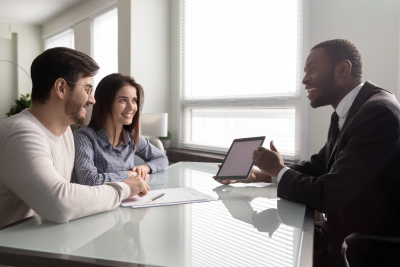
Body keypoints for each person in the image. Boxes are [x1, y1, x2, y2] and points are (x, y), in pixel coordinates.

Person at [216, 39, 400, 266]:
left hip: (369, 250)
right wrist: (259, 175)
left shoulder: (378, 113)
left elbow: (330, 194)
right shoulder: (348, 112)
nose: (304, 80)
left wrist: (278, 169)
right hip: (344, 236)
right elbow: (318, 167)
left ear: (343, 69)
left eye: (312, 70)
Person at [0, 47, 149, 228]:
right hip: (11, 250)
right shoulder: (21, 134)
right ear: (61, 88)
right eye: (87, 89)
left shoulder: (66, 133)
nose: (92, 99)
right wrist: (125, 187)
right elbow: (60, 204)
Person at [72, 73, 168, 186]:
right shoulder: (84, 138)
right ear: (105, 103)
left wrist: (145, 168)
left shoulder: (131, 137)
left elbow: (162, 158)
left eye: (134, 100)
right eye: (123, 100)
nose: (132, 107)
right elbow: (89, 180)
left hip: (131, 201)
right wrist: (128, 175)